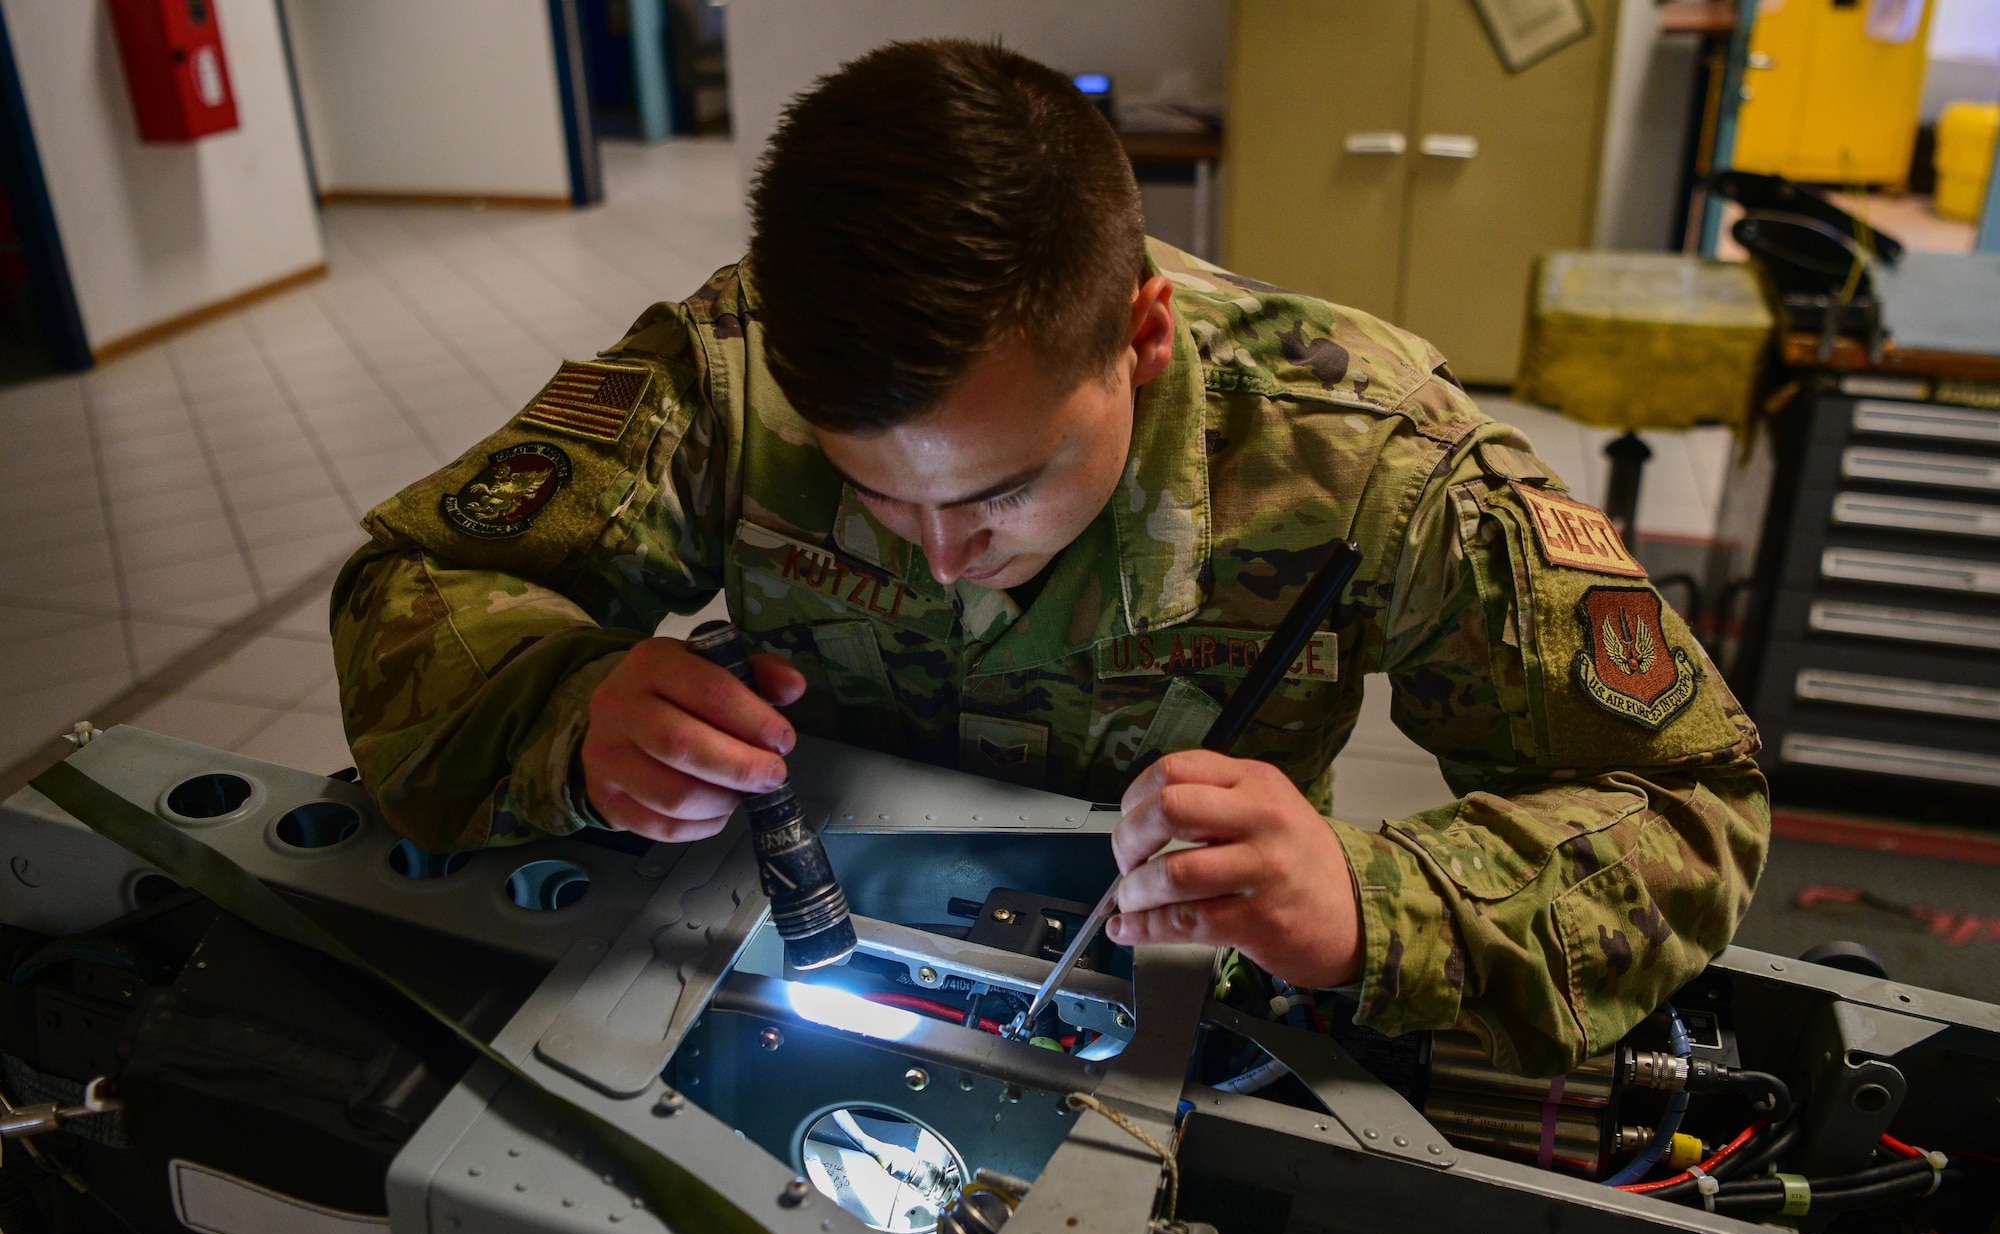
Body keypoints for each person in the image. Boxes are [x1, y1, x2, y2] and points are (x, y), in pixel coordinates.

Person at [331, 40, 1768, 1075]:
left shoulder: (1371, 447)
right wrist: (570, 711)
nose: (947, 555)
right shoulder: (727, 369)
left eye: (1004, 491)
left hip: (1181, 1001)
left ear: (1140, 338)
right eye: (868, 493)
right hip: (797, 952)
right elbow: (412, 594)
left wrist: (1367, 900)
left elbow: (1693, 800)